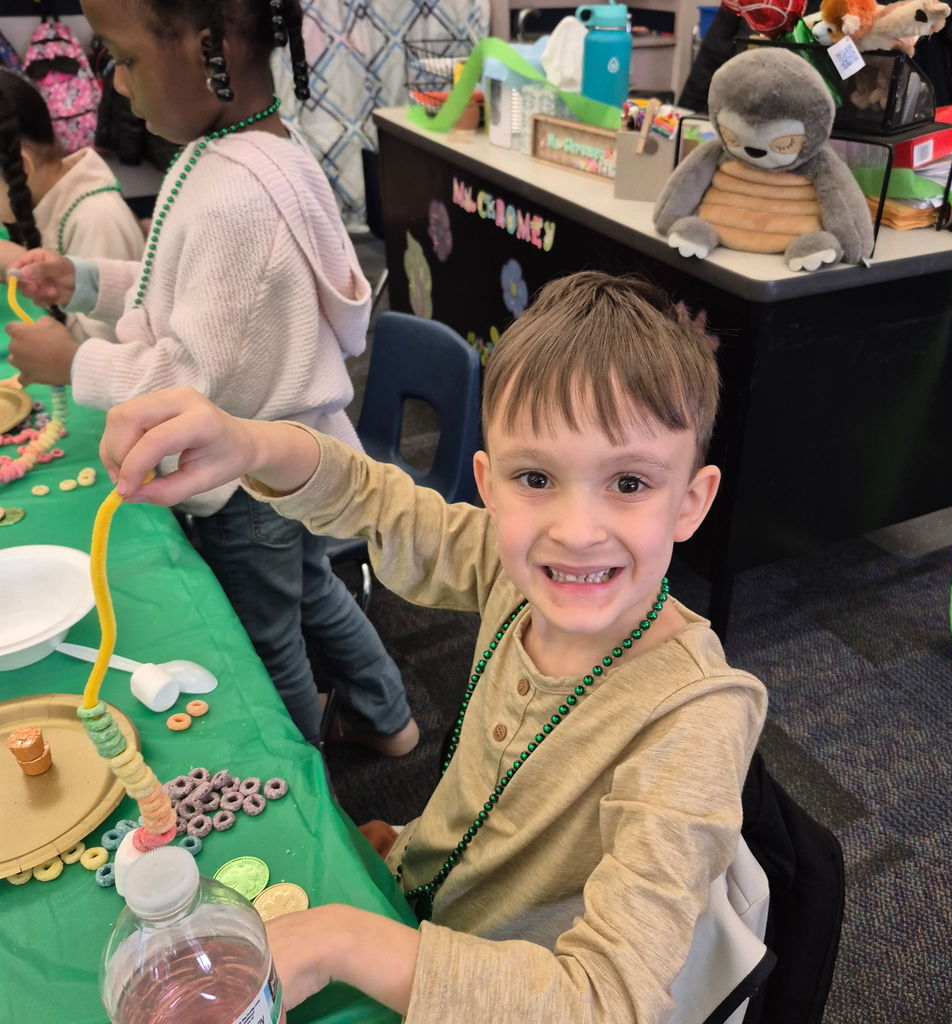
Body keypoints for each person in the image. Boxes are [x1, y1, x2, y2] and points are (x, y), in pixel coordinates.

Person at [98, 270, 769, 1022]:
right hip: (426, 891)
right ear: (487, 483)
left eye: (630, 483)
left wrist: (342, 942)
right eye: (537, 477)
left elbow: (606, 1003)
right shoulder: (512, 569)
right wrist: (248, 442)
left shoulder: (696, 718)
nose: (577, 531)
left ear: (692, 501)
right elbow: (377, 500)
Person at [4, 0, 417, 754]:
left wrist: (75, 362)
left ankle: (305, 775)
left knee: (268, 638)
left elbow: (194, 381)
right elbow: (186, 290)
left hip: (246, 482)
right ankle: (391, 719)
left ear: (208, 48)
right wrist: (86, 281)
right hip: (294, 448)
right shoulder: (248, 151)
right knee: (315, 593)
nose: (117, 89)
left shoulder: (232, 198)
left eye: (124, 60)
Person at [0, 68, 144, 343]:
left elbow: (103, 347)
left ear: (21, 167)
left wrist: (12, 258)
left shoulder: (97, 220)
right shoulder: (37, 198)